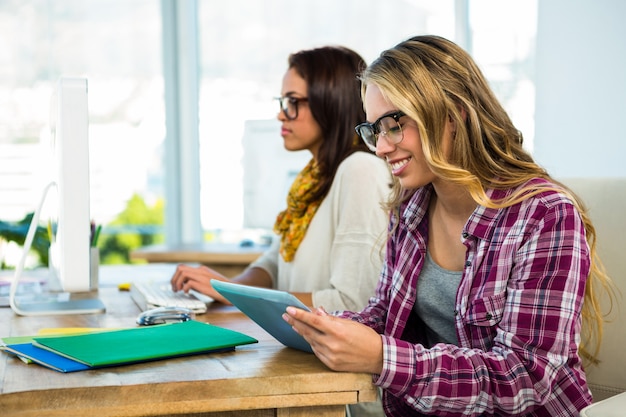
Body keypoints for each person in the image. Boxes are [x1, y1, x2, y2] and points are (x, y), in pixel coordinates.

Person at [282, 35, 615, 417]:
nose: (380, 147)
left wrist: (382, 357)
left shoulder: (544, 214)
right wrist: (326, 327)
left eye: (393, 125)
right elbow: (384, 315)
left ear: (453, 115)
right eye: (374, 130)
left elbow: (528, 379)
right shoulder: (411, 206)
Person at [171, 46, 391, 314]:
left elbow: (353, 303)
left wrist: (239, 295)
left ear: (330, 102)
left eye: (293, 102)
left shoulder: (360, 170)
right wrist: (229, 288)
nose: (281, 114)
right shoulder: (312, 179)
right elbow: (274, 262)